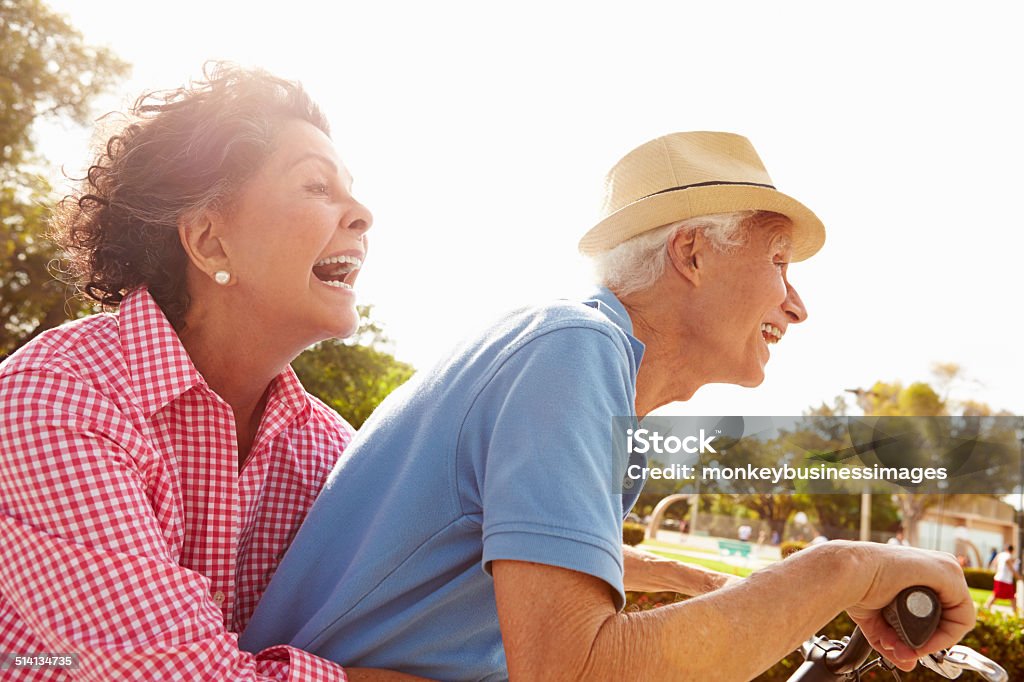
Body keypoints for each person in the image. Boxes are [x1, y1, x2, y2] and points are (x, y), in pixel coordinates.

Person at [241, 132, 975, 680]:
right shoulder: (575, 350)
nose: (798, 304)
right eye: (778, 261)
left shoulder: (564, 344)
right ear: (691, 254)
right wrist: (842, 568)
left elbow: (527, 546)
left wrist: (703, 580)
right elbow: (578, 670)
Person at [0, 64, 419, 680]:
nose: (362, 214)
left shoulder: (330, 449)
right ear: (209, 242)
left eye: (349, 189)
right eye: (316, 187)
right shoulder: (54, 400)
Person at [984, 544, 1022, 617]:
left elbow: (994, 563)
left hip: (1000, 578)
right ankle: (1016, 614)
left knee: (1007, 596)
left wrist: (998, 570)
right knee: (1004, 596)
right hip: (1005, 580)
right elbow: (1011, 568)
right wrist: (1018, 577)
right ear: (1012, 550)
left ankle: (986, 607)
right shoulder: (1008, 556)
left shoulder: (1000, 555)